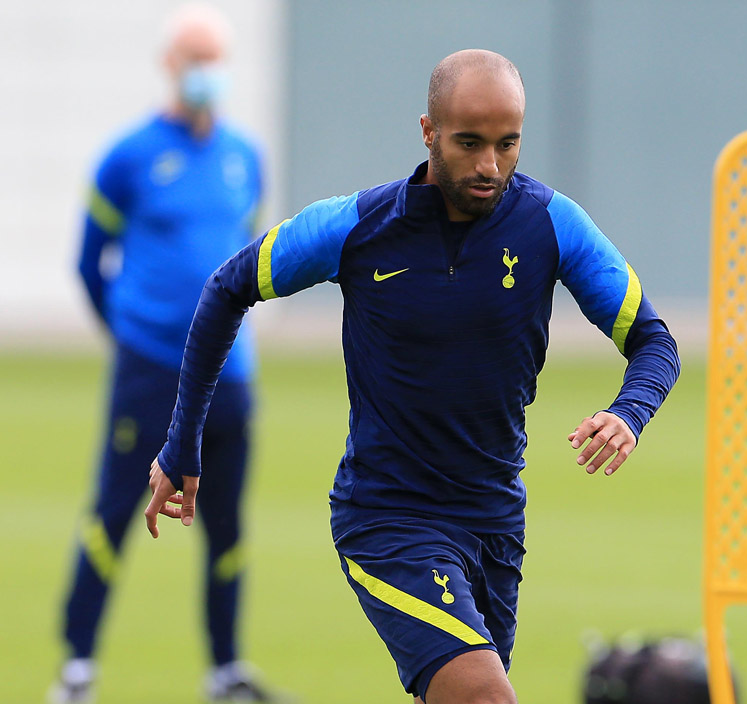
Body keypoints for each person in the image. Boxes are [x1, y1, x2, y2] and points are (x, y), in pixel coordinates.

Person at [145, 48, 681, 704]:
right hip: (387, 518)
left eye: (507, 144)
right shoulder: (358, 226)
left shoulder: (550, 223)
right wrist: (182, 442)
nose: (490, 166)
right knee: (488, 697)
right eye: (469, 144)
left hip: (494, 520)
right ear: (428, 133)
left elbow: (653, 341)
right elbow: (227, 289)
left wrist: (629, 412)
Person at [51, 5, 277, 703]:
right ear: (169, 64)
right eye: (194, 57)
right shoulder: (129, 157)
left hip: (230, 374)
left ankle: (224, 670)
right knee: (114, 512)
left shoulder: (245, 158)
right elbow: (90, 263)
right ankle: (77, 670)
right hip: (149, 370)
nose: (207, 72)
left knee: (228, 524)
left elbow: (243, 255)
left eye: (217, 58)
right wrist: (131, 330)